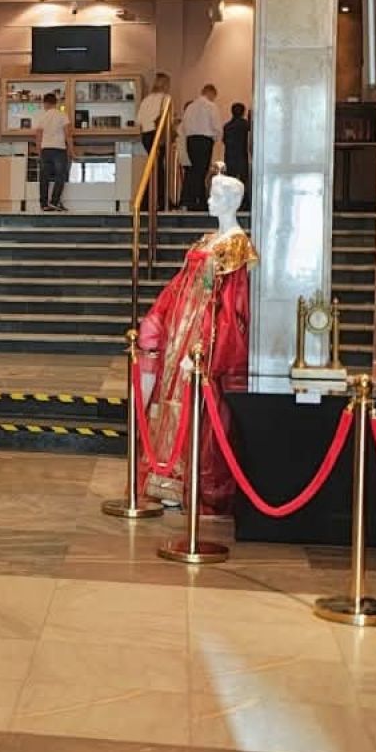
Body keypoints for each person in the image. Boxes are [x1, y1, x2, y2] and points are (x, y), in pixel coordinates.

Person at [138, 172, 255, 512]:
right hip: (181, 332)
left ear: (232, 201)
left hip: (202, 338)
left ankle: (190, 480)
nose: (209, 200)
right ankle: (167, 476)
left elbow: (231, 306)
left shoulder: (236, 245)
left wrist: (206, 349)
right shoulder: (208, 239)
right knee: (171, 402)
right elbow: (180, 285)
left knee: (196, 409)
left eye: (215, 195)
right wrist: (159, 318)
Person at [180, 83, 222, 211]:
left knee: (194, 170)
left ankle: (192, 199)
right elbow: (217, 126)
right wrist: (216, 138)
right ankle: (200, 201)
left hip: (191, 140)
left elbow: (184, 125)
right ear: (211, 93)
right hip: (204, 140)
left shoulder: (190, 106)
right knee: (202, 171)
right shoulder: (211, 106)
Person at [30, 89, 71, 212]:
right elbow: (68, 135)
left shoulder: (42, 116)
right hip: (59, 149)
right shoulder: (62, 115)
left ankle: (44, 204)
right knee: (60, 176)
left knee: (44, 177)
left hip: (45, 150)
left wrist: (39, 151)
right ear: (56, 103)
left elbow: (38, 135)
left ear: (45, 103)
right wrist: (72, 150)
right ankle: (54, 201)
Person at [136, 74, 171, 204]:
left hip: (146, 135)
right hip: (158, 135)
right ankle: (160, 199)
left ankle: (148, 199)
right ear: (166, 84)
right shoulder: (166, 98)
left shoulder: (146, 100)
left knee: (153, 166)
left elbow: (139, 120)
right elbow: (167, 117)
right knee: (159, 168)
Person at [222, 102, 251, 210]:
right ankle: (243, 204)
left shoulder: (227, 126)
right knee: (243, 180)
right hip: (241, 155)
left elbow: (224, 140)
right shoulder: (245, 124)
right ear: (243, 112)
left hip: (229, 156)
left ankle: (230, 203)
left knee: (230, 180)